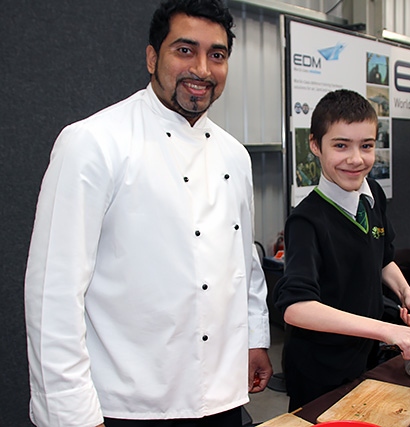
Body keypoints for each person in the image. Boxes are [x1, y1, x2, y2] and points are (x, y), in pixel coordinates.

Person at [24, 1, 272, 426]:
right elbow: (53, 294)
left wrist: (255, 338)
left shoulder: (234, 154)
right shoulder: (93, 142)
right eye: (184, 50)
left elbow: (243, 261)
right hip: (124, 404)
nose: (202, 69)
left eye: (217, 55)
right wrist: (71, 415)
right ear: (152, 57)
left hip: (222, 397)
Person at [273, 89, 410, 411]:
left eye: (366, 146)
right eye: (341, 145)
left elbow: (383, 258)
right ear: (315, 145)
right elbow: (295, 307)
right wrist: (389, 331)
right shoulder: (306, 220)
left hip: (366, 354)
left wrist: (407, 295)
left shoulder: (371, 198)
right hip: (321, 366)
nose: (356, 159)